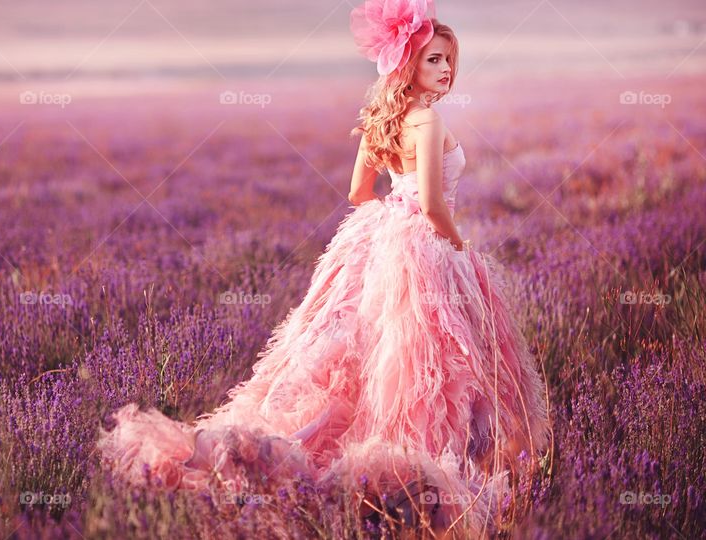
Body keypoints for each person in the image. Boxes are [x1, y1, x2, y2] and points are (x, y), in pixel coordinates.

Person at [97, 0, 551, 535]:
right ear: (408, 64)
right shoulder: (427, 119)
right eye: (434, 59)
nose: (446, 69)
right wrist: (457, 246)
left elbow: (359, 192)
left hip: (385, 240)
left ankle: (325, 467)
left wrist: (391, 217)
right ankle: (418, 471)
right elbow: (432, 204)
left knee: (362, 354)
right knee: (431, 366)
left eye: (450, 59)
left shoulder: (385, 117)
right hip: (426, 246)